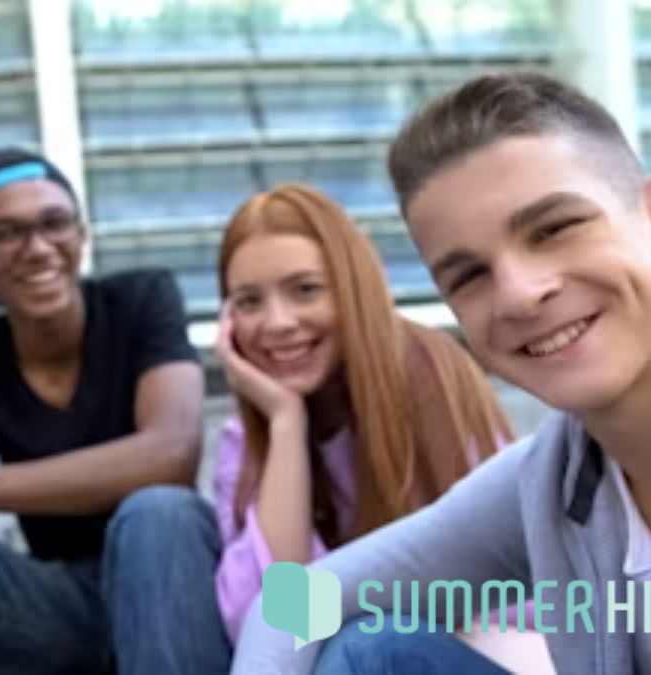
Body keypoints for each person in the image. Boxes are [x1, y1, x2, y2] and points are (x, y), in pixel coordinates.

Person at [230, 71, 651, 675]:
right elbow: (296, 603)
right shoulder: (549, 481)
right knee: (368, 652)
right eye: (470, 276)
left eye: (554, 229)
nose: (519, 294)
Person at [0, 148, 231, 674]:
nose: (36, 248)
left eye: (54, 223)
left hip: (170, 587)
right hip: (59, 609)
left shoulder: (140, 300)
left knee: (159, 512)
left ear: (82, 235)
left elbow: (170, 454)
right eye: (6, 233)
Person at [213, 183, 513, 664]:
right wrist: (286, 423)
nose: (278, 322)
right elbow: (268, 635)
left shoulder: (429, 378)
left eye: (305, 290)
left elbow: (501, 596)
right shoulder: (248, 437)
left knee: (367, 642)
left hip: (464, 654)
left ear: (352, 288)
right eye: (249, 302)